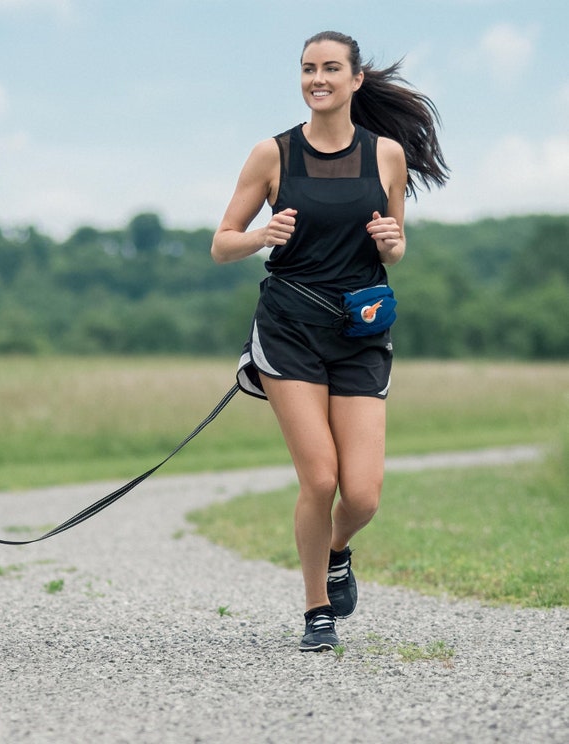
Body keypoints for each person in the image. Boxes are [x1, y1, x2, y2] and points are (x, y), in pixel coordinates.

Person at [211, 31, 448, 652]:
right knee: (320, 479)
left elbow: (393, 247)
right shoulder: (273, 154)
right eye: (308, 68)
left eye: (331, 68)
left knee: (362, 495)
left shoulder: (386, 155)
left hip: (359, 331)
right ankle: (317, 610)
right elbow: (221, 243)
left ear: (355, 79)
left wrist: (393, 244)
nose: (318, 79)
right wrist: (261, 236)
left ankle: (338, 549)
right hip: (290, 328)